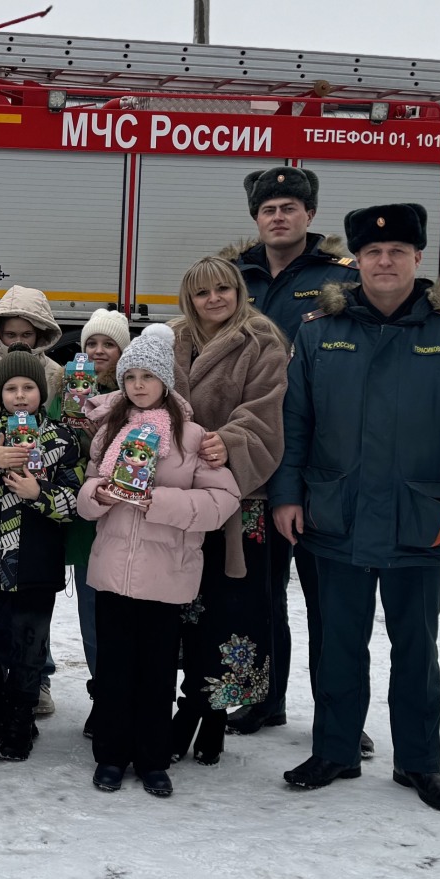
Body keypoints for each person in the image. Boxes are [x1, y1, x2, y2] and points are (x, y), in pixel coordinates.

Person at [268, 203, 440, 814]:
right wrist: (288, 495)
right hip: (334, 516)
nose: (385, 260)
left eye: (398, 250)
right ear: (357, 261)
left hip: (421, 521)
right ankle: (336, 750)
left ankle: (421, 763)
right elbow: (295, 425)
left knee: (416, 651)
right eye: (373, 252)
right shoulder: (319, 332)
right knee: (338, 643)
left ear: (419, 259)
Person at [78, 324, 242, 796]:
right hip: (112, 573)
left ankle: (152, 760)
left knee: (155, 675)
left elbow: (222, 500)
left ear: (166, 381)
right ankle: (110, 756)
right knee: (113, 671)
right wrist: (100, 494)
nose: (138, 385)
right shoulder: (110, 428)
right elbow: (85, 494)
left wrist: (160, 502)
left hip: (167, 576)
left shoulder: (192, 438)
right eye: (130, 376)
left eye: (148, 376)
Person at [226, 166, 355, 743]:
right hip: (255, 462)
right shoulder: (232, 276)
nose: (279, 217)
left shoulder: (340, 278)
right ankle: (261, 699)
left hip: (321, 461)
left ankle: (338, 714)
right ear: (256, 218)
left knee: (329, 599)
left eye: (290, 207)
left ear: (310, 216)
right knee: (256, 591)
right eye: (268, 209)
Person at [168, 257, 287, 765]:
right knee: (181, 610)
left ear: (239, 290)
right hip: (180, 497)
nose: (214, 299)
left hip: (242, 503)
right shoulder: (169, 339)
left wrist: (228, 442)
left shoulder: (263, 341)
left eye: (223, 289)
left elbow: (266, 410)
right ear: (187, 300)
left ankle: (206, 713)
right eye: (202, 293)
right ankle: (189, 705)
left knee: (230, 612)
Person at [0, 350, 84, 761]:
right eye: (11, 388)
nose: (20, 396)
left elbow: (75, 502)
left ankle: (19, 719)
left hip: (36, 567)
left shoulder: (61, 439)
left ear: (41, 392)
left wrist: (38, 494)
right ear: (0, 392)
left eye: (28, 388)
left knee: (28, 648)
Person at [47, 306, 130, 736]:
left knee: (96, 610)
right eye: (91, 344)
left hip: (102, 517)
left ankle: (105, 695)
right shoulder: (62, 394)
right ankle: (34, 681)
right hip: (58, 514)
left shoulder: (130, 395)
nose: (98, 351)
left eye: (108, 344)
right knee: (39, 597)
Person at [0, 286, 67, 415]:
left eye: (26, 335)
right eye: (10, 335)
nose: (19, 341)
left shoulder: (56, 375)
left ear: (38, 335)